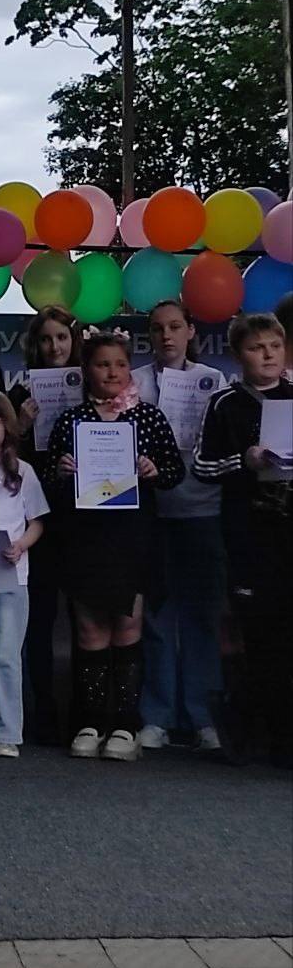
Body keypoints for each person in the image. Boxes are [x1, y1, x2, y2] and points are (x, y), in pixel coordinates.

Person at [45, 329, 184, 762]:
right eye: (103, 364)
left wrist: (153, 470)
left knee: (127, 625)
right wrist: (62, 471)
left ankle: (125, 725)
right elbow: (47, 476)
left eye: (120, 364)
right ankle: (90, 722)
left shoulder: (148, 417)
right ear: (87, 369)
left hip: (133, 537)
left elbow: (175, 471)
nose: (112, 372)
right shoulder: (72, 420)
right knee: (90, 630)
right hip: (85, 538)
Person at [193, 312, 293, 767]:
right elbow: (202, 465)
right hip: (250, 538)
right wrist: (244, 460)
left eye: (274, 346)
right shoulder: (225, 403)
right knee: (261, 633)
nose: (268, 355)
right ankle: (267, 734)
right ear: (238, 355)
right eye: (256, 348)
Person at [132, 300, 228, 752]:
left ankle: (203, 716)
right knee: (156, 617)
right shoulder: (134, 383)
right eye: (157, 329)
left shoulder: (214, 381)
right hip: (152, 512)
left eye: (175, 327)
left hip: (203, 510)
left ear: (191, 331)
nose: (166, 336)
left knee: (202, 617)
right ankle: (157, 716)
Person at [6, 304, 82, 743]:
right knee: (38, 618)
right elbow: (3, 457)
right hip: (36, 518)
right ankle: (44, 710)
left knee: (85, 617)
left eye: (62, 337)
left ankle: (85, 711)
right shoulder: (21, 394)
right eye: (46, 339)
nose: (55, 346)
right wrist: (20, 427)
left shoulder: (91, 386)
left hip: (84, 517)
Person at [0, 390, 48, 758]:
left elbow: (36, 521)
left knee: (6, 654)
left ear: (7, 426)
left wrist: (21, 545)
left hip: (12, 572)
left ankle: (8, 731)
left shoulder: (22, 471)